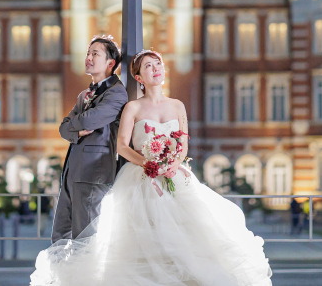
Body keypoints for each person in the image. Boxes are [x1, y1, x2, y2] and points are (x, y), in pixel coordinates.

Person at [31, 50, 273, 286]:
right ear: (139, 78)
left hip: (173, 176)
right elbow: (122, 146)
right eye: (149, 66)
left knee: (186, 236)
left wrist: (173, 163)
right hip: (139, 177)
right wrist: (148, 163)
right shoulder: (132, 108)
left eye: (158, 64)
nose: (156, 69)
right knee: (138, 238)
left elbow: (184, 144)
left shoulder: (178, 106)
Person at [50, 35, 128, 244]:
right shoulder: (84, 94)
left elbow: (90, 120)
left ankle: (87, 277)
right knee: (60, 236)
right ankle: (66, 276)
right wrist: (74, 128)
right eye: (88, 53)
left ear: (111, 63)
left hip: (94, 175)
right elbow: (62, 129)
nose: (89, 58)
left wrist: (75, 125)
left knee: (86, 239)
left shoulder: (117, 93)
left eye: (95, 53)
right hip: (72, 173)